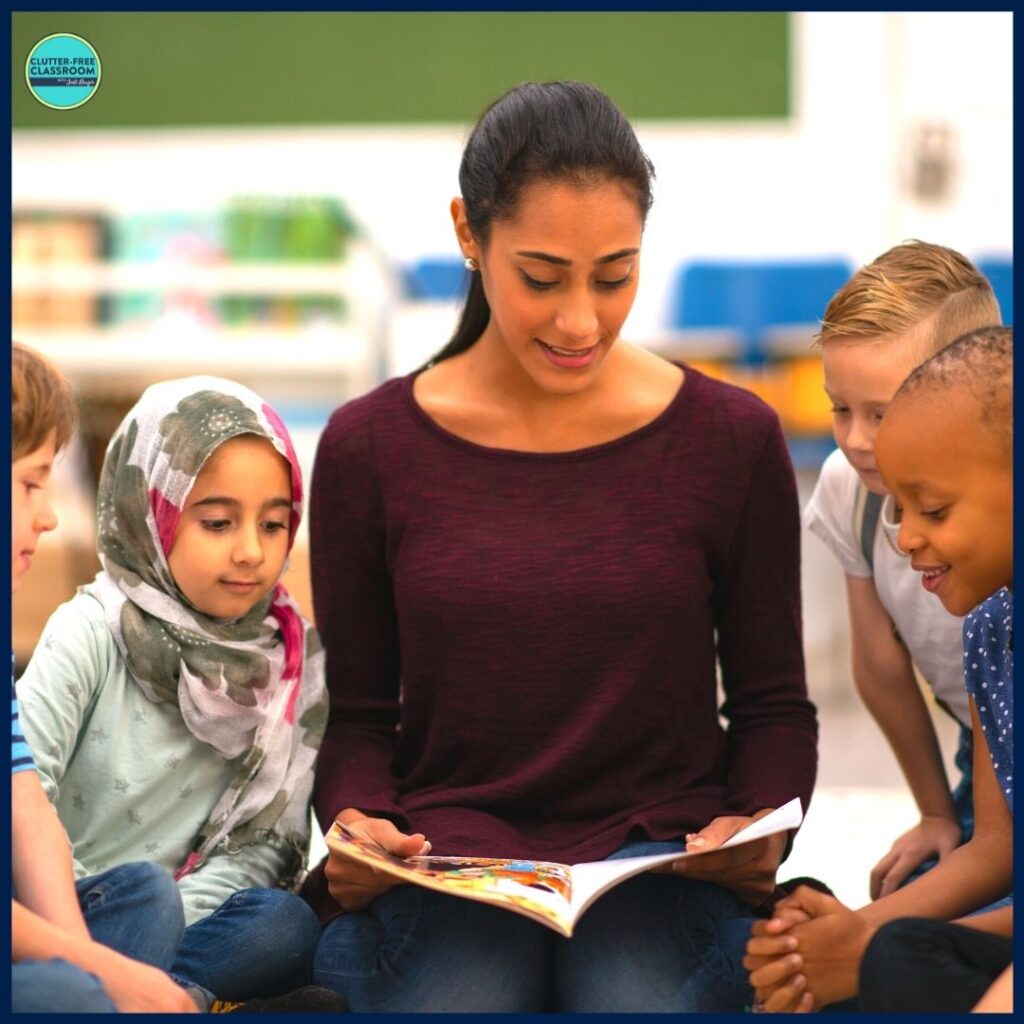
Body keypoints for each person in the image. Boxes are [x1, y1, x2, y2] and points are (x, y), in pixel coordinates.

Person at [303, 80, 818, 1013]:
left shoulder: (730, 440)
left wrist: (761, 824)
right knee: (463, 993)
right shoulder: (368, 448)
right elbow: (361, 719)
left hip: (661, 853)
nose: (580, 320)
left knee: (638, 996)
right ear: (469, 233)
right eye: (542, 278)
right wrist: (355, 819)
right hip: (452, 856)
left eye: (614, 276)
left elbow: (775, 706)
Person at [16, 374, 348, 1012]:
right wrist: (128, 924)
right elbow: (24, 801)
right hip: (70, 911)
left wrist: (178, 913)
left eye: (275, 525)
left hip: (194, 922)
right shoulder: (90, 631)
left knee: (285, 923)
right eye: (218, 522)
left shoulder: (291, 658)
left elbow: (266, 849)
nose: (251, 551)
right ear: (150, 511)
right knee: (146, 895)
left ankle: (165, 998)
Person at [744, 326, 1013, 1014]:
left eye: (934, 509)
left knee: (893, 960)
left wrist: (864, 946)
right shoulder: (988, 630)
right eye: (897, 508)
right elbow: (997, 848)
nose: (906, 536)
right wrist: (846, 938)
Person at [803, 241, 1001, 898]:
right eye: (840, 409)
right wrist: (936, 814)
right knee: (911, 888)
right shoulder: (847, 487)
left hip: (1004, 741)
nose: (858, 439)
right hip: (979, 759)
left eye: (881, 413)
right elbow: (881, 667)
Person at [11, 340, 198, 1013]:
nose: (50, 514)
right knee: (71, 989)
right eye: (33, 482)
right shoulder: (89, 626)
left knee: (148, 896)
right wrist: (89, 969)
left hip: (39, 929)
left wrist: (86, 962)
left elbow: (26, 808)